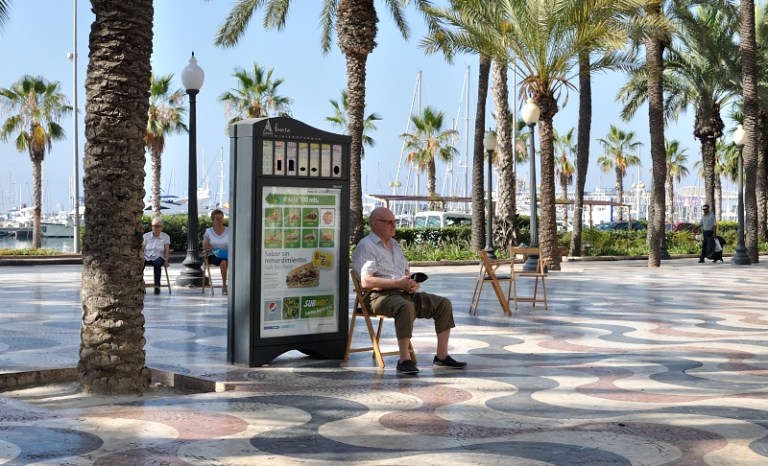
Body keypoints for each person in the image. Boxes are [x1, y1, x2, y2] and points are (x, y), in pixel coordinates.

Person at [352, 206, 466, 375]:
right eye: (389, 222)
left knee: (443, 304)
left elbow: (405, 272)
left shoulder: (395, 245)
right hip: (377, 296)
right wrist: (398, 284)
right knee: (405, 306)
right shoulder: (366, 246)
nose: (393, 225)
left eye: (394, 221)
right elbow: (366, 281)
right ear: (376, 223)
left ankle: (442, 357)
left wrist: (411, 282)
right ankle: (404, 359)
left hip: (403, 293)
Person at [203, 209, 229, 295]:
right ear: (213, 220)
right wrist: (215, 249)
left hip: (228, 254)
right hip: (214, 254)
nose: (219, 221)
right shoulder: (209, 231)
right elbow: (205, 245)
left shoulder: (229, 230)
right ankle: (224, 286)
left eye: (221, 218)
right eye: (217, 219)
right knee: (223, 262)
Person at [143, 217, 170, 294]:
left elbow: (167, 250)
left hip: (159, 255)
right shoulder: (146, 236)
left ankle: (157, 285)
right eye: (154, 226)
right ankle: (140, 285)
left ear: (162, 227)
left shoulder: (165, 237)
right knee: (139, 264)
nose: (155, 228)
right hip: (147, 255)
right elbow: (142, 248)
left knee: (157, 263)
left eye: (157, 226)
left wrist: (166, 261)